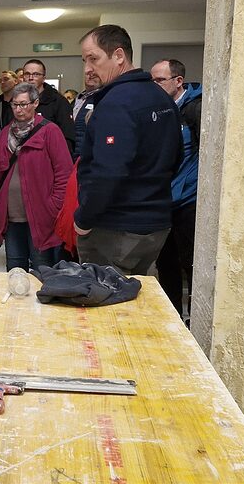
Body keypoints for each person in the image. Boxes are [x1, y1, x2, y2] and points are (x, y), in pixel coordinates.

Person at [74, 24, 182, 275]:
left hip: (116, 227)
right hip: (154, 224)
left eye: (93, 59)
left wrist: (83, 218)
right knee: (137, 293)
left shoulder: (116, 102)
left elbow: (108, 172)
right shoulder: (161, 97)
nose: (87, 68)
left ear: (119, 55)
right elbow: (175, 157)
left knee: (104, 296)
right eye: (84, 60)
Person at [0, 83, 72, 271]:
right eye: (15, 104)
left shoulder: (50, 131)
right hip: (11, 217)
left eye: (23, 104)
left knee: (42, 269)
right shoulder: (4, 134)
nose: (18, 109)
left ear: (35, 103)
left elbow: (64, 173)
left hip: (41, 215)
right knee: (14, 269)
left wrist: (53, 206)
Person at [150, 58, 202, 319]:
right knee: (165, 263)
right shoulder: (158, 111)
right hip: (163, 200)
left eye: (160, 80)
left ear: (178, 81)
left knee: (190, 264)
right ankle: (171, 318)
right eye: (152, 80)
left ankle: (193, 319)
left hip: (188, 201)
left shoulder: (195, 109)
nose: (154, 85)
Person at [22, 59, 76, 156]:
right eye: (27, 74)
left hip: (48, 158)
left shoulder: (58, 102)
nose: (31, 78)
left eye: (36, 74)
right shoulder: (17, 102)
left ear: (43, 78)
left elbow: (67, 137)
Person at [72, 73, 102, 158]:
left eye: (95, 74)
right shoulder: (78, 98)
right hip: (72, 153)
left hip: (88, 154)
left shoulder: (102, 99)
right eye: (88, 74)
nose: (91, 76)